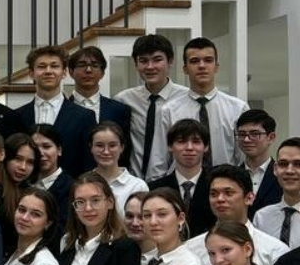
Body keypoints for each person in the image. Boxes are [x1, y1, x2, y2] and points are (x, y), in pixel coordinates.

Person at [155, 39, 247, 169]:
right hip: (182, 180)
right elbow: (159, 160)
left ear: (216, 67)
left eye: (208, 60)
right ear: (185, 69)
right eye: (194, 61)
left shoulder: (238, 109)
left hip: (226, 179)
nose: (202, 66)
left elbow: (244, 158)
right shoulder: (168, 111)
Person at [15, 46, 97, 178]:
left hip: (71, 187)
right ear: (31, 73)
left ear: (64, 72)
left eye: (54, 66)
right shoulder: (17, 116)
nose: (48, 71)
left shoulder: (85, 116)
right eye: (41, 66)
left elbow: (89, 163)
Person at [115, 35, 188, 181]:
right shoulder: (124, 100)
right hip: (133, 182)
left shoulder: (186, 99)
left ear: (170, 61)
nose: (150, 67)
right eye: (143, 61)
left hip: (174, 182)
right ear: (136, 64)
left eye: (157, 60)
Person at [146, 120, 214, 237]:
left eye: (196, 142)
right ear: (170, 146)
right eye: (181, 141)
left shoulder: (216, 186)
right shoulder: (154, 189)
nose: (189, 148)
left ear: (206, 147)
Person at [66, 46, 133, 163]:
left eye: (94, 65)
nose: (88, 70)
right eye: (82, 65)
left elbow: (125, 150)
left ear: (102, 73)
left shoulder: (120, 110)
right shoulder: (62, 109)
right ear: (71, 72)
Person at [251, 138, 300, 250]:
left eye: (299, 164)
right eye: (283, 164)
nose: (289, 171)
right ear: (275, 169)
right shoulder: (262, 217)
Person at [88, 123, 147, 212]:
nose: (106, 152)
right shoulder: (82, 184)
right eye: (99, 145)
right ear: (91, 147)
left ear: (122, 147)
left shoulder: (137, 186)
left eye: (112, 145)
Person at [233, 111, 281, 214]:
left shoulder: (282, 175)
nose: (246, 139)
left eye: (255, 134)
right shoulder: (232, 176)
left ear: (271, 137)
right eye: (242, 134)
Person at [29, 125, 74, 228]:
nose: (40, 153)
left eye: (46, 146)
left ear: (59, 150)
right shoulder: (22, 183)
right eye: (35, 148)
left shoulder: (71, 187)